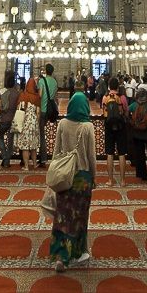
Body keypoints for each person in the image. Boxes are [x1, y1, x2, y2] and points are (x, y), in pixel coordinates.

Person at [48, 91, 96, 273]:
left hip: (64, 176)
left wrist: (53, 172)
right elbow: (91, 156)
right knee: (80, 217)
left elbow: (56, 151)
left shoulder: (62, 124)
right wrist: (94, 176)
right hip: (82, 178)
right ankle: (78, 253)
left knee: (62, 216)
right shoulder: (87, 127)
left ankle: (61, 256)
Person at [102, 74, 129, 186]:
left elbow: (103, 111)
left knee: (109, 153)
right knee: (121, 153)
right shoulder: (122, 98)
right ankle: (122, 181)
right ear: (118, 86)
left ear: (109, 86)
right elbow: (126, 112)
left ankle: (110, 180)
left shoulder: (105, 97)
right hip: (120, 126)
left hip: (109, 126)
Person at [37, 63, 58, 166]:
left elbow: (40, 95)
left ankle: (43, 159)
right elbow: (55, 96)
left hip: (43, 110)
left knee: (41, 134)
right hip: (51, 110)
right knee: (41, 132)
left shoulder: (42, 81)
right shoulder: (54, 81)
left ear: (45, 70)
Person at [18, 76, 41, 170]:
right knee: (33, 145)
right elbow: (38, 112)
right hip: (34, 122)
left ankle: (26, 166)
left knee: (25, 146)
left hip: (25, 122)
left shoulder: (23, 95)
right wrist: (37, 122)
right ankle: (35, 164)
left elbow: (19, 109)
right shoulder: (36, 97)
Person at [0, 69, 17, 167]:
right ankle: (7, 160)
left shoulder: (3, 93)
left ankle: (4, 156)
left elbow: (1, 107)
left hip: (4, 119)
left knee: (0, 137)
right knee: (10, 140)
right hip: (13, 120)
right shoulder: (16, 93)